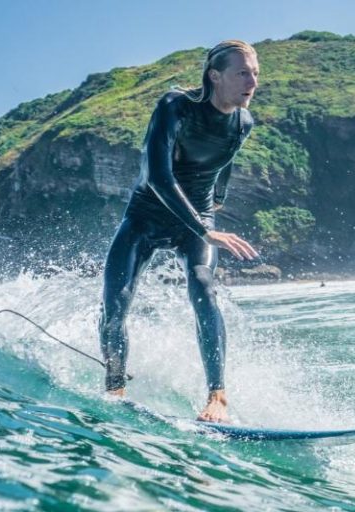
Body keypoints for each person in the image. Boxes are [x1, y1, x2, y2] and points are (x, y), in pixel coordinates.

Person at [98, 39, 260, 423]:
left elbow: (225, 165)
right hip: (146, 217)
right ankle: (115, 387)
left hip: (198, 222)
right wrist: (206, 230)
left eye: (255, 73)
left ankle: (217, 396)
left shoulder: (243, 122)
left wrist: (214, 205)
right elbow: (157, 176)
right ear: (215, 76)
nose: (251, 80)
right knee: (115, 305)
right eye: (242, 73)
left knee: (203, 284)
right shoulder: (175, 106)